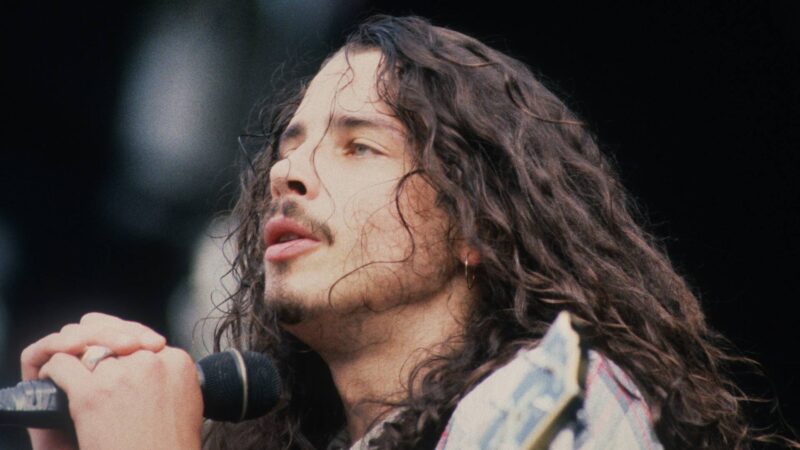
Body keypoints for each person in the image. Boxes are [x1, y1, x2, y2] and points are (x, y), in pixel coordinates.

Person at [20, 15, 792, 450]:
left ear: (478, 224)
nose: (285, 177)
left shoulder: (556, 404)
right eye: (286, 147)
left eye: (359, 146)